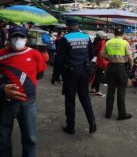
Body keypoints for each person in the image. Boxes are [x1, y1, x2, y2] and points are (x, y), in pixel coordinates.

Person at [0, 26, 46, 157]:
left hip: (28, 102)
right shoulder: (1, 54)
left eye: (21, 37)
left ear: (26, 39)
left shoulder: (35, 54)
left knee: (30, 137)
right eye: (14, 36)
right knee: (3, 136)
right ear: (9, 38)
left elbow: (40, 74)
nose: (17, 40)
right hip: (6, 102)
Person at [52, 18, 97, 134]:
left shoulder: (65, 39)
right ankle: (92, 122)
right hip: (84, 72)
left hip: (70, 73)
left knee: (70, 100)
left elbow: (59, 59)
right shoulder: (86, 37)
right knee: (85, 98)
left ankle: (70, 126)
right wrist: (90, 69)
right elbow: (93, 55)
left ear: (68, 27)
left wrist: (55, 76)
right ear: (78, 26)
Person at [101, 26, 133, 120]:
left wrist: (109, 59)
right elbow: (130, 58)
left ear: (114, 33)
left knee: (110, 92)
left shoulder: (109, 42)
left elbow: (102, 55)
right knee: (121, 92)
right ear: (122, 34)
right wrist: (131, 66)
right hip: (121, 68)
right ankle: (122, 114)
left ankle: (108, 113)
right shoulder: (124, 43)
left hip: (110, 67)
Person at [90, 31, 108, 97]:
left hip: (94, 60)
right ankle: (97, 91)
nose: (105, 37)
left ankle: (92, 88)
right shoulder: (102, 42)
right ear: (101, 36)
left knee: (95, 75)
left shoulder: (95, 41)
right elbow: (101, 53)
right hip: (99, 61)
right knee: (98, 76)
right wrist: (105, 62)